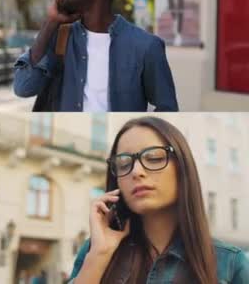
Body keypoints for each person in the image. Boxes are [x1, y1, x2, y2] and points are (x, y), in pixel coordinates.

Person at [67, 117, 249, 283]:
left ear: (182, 167)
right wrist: (99, 255)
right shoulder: (96, 250)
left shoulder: (230, 263)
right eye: (124, 163)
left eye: (154, 158)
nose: (136, 171)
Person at [13, 0, 178, 112]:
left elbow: (168, 108)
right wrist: (50, 22)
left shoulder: (146, 46)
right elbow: (23, 88)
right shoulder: (60, 37)